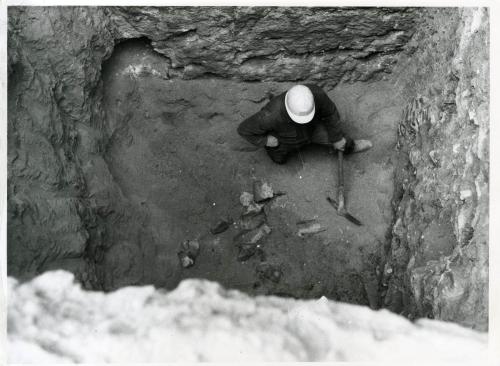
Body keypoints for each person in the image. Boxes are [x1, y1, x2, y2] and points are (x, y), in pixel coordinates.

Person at [237, 84, 372, 164]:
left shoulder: (316, 94)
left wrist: (336, 138)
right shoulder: (270, 115)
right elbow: (243, 130)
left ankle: (350, 146)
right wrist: (265, 140)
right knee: (279, 161)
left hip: (312, 129)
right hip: (285, 139)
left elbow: (330, 113)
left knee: (342, 141)